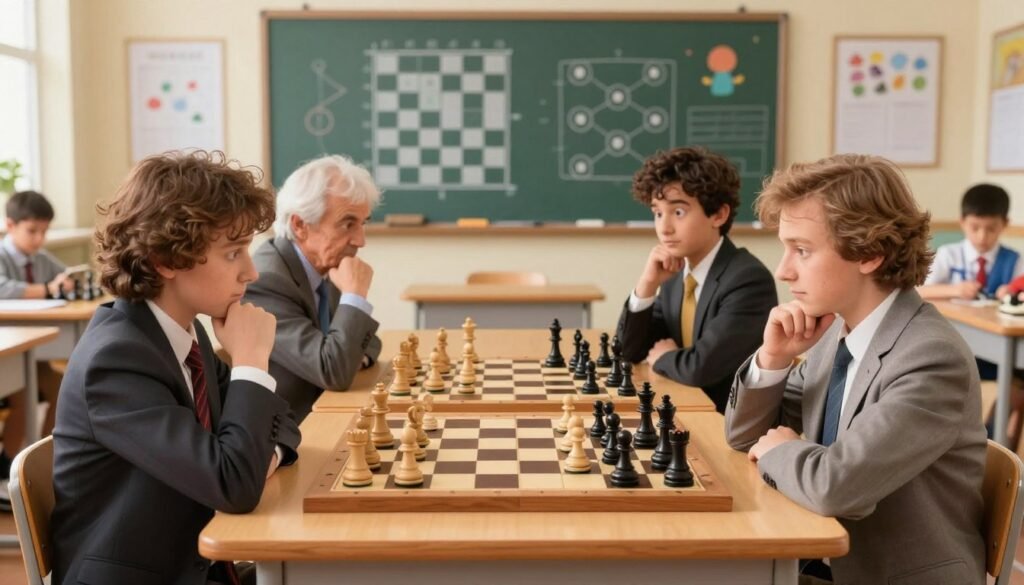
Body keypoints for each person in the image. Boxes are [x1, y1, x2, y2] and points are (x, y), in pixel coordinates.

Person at [725, 154, 986, 584]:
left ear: (870, 253)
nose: (783, 270)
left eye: (802, 251)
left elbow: (836, 486)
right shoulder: (836, 332)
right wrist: (773, 359)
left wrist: (780, 451)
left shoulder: (931, 358)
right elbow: (745, 436)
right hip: (817, 561)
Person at [50, 151, 301, 585]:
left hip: (195, 565)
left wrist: (259, 456)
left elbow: (282, 424)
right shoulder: (116, 361)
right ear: (165, 260)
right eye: (233, 253)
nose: (251, 272)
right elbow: (234, 485)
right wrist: (251, 362)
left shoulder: (186, 334)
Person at [615, 146, 776, 413]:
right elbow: (628, 351)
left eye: (678, 212)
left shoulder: (748, 280)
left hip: (726, 422)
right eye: (658, 213)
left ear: (719, 215)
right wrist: (647, 285)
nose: (664, 228)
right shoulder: (674, 276)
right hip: (683, 409)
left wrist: (665, 357)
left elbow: (701, 368)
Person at [244, 154, 382, 421]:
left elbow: (369, 343)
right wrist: (355, 296)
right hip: (291, 430)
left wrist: (349, 356)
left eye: (363, 223)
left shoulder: (322, 266)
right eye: (348, 224)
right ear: (300, 225)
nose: (360, 240)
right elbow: (333, 371)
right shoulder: (267, 281)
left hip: (326, 413)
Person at [0, 190, 72, 509]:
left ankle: (43, 462)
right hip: (8, 350)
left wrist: (66, 282)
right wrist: (45, 289)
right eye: (32, 231)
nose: (39, 239)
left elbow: (63, 275)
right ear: (10, 225)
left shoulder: (40, 258)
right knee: (23, 391)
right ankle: (9, 465)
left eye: (44, 231)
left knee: (59, 385)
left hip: (29, 350)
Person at [919, 183, 1022, 300]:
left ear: (1005, 223)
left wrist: (1012, 292)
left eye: (991, 229)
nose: (982, 237)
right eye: (975, 228)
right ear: (962, 222)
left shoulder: (1015, 260)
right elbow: (920, 291)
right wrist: (954, 290)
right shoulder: (948, 254)